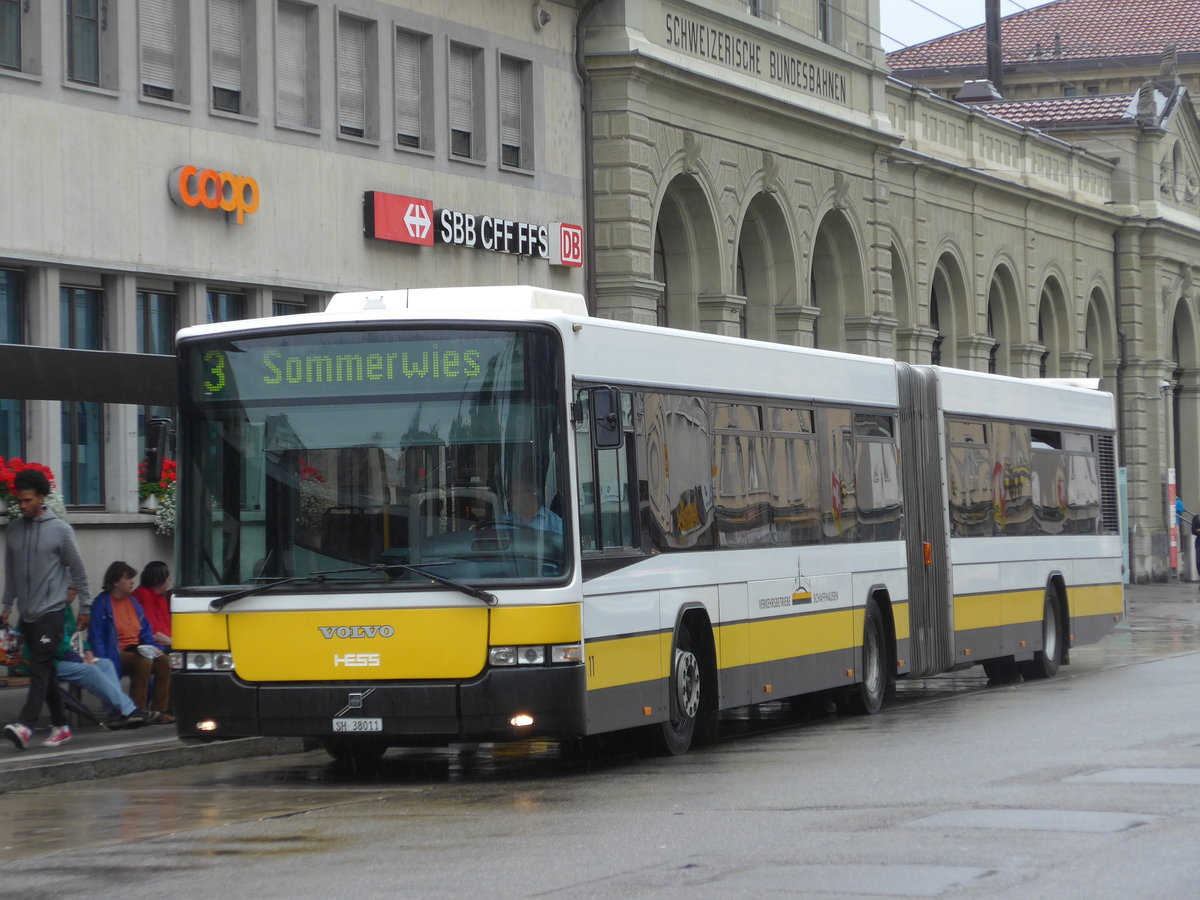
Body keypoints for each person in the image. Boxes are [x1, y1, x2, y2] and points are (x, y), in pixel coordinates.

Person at [1, 468, 90, 750]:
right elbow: (11, 573)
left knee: (39, 667)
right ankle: (61, 725)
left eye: (28, 500)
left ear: (41, 497)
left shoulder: (60, 530)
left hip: (52, 611)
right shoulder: (14, 530)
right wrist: (6, 606)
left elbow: (77, 570)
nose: (23, 506)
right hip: (26, 613)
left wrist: (85, 605)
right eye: (20, 501)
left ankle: (25, 725)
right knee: (47, 671)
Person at [88, 561, 174, 724]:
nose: (132, 582)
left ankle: (159, 711)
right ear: (115, 582)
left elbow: (145, 628)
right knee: (143, 662)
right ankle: (137, 710)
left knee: (164, 661)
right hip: (116, 651)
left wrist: (149, 646)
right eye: (127, 579)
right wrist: (102, 659)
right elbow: (97, 636)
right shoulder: (102, 604)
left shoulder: (132, 601)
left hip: (137, 648)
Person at [132, 560, 172, 648]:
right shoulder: (143, 595)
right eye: (167, 576)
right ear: (159, 580)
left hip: (164, 643)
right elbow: (153, 633)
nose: (170, 578)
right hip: (155, 646)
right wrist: (174, 643)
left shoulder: (159, 596)